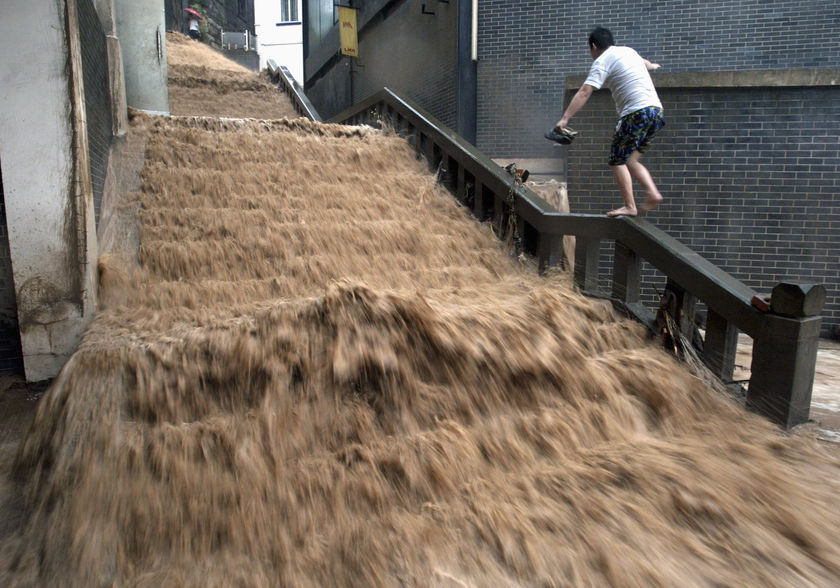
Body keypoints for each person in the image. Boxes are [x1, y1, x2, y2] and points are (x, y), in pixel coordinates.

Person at [554, 27, 664, 217]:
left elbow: (585, 91)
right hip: (656, 112)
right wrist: (653, 66)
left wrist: (565, 119)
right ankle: (652, 192)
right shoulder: (628, 51)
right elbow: (645, 63)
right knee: (630, 159)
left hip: (635, 113)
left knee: (616, 160)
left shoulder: (602, 61)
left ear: (594, 46)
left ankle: (630, 206)